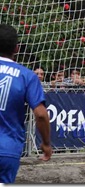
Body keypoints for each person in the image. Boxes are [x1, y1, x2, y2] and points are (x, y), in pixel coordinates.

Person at [0, 24, 52, 183]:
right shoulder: (27, 76)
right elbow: (41, 115)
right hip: (7, 149)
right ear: (16, 48)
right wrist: (46, 143)